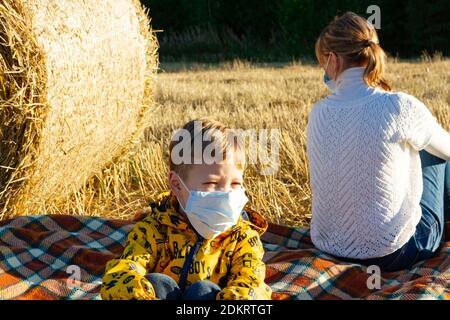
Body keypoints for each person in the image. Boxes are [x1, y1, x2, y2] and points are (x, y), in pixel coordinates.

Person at [307, 12, 450, 272]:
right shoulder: (398, 105)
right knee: (436, 152)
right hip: (394, 253)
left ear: (333, 60)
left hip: (328, 247)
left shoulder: (318, 112)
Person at [101, 118, 272, 300]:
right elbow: (126, 269)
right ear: (177, 185)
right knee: (157, 282)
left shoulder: (243, 238)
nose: (227, 194)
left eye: (235, 183)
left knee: (203, 291)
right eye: (212, 183)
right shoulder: (153, 230)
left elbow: (251, 282)